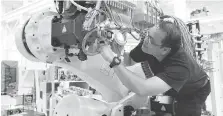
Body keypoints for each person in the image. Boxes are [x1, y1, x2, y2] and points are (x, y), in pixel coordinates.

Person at [99, 15, 211, 116]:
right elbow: (129, 60)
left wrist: (113, 60)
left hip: (193, 91)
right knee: (160, 109)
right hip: (173, 85)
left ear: (164, 50)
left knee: (183, 111)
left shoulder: (181, 67)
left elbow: (143, 89)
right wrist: (117, 50)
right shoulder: (149, 45)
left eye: (151, 39)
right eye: (148, 34)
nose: (145, 40)